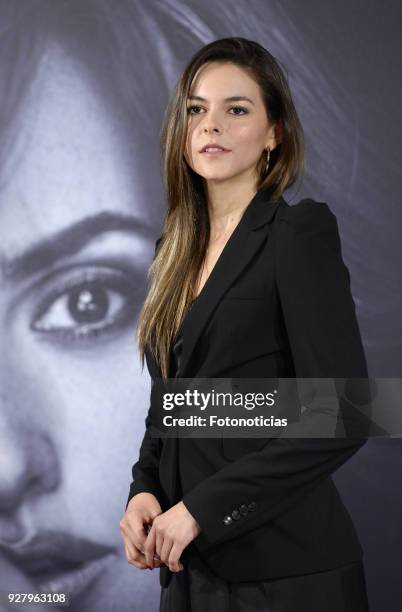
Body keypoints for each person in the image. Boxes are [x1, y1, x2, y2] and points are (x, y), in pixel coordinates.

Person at [120, 37, 371, 611]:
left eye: (236, 110)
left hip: (286, 575)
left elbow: (346, 413)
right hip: (188, 570)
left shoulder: (297, 234)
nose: (211, 126)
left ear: (273, 133)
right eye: (196, 110)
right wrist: (144, 489)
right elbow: (172, 403)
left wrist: (203, 509)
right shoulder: (171, 251)